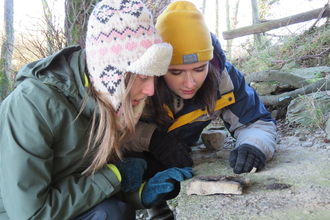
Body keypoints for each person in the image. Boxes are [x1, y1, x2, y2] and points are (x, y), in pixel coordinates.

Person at [0, 0, 194, 219]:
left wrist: (142, 193)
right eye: (143, 77)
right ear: (112, 74)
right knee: (109, 213)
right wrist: (115, 176)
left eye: (154, 78)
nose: (150, 90)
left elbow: (88, 187)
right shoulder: (32, 106)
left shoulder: (104, 100)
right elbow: (31, 213)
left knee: (116, 210)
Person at [124, 1, 278, 219]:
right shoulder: (140, 79)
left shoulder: (224, 79)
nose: (189, 83)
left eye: (199, 69)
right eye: (176, 72)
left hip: (182, 149)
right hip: (137, 155)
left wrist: (254, 147)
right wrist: (152, 139)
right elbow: (112, 129)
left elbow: (255, 121)